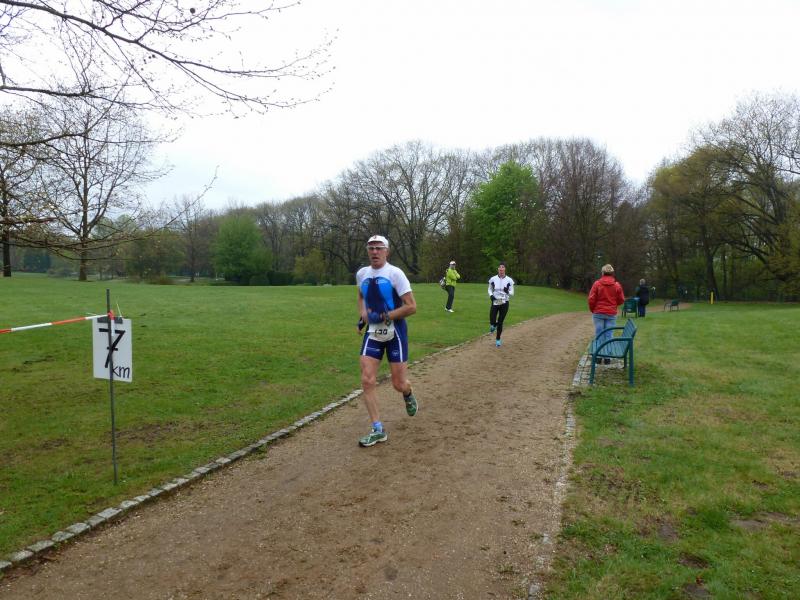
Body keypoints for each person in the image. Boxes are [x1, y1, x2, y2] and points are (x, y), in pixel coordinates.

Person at [355, 235, 418, 447]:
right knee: (367, 379)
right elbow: (361, 296)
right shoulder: (362, 274)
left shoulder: (395, 274)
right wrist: (363, 315)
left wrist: (386, 316)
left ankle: (408, 392)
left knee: (398, 384)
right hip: (373, 332)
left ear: (386, 251)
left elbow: (411, 306)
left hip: (395, 332)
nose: (374, 251)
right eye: (371, 248)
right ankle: (377, 429)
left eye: (379, 248)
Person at [588, 264, 625, 364]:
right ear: (612, 273)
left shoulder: (597, 284)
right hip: (611, 314)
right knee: (609, 335)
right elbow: (621, 299)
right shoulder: (617, 285)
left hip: (598, 313)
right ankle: (607, 357)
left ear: (602, 273)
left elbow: (591, 299)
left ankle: (598, 356)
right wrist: (614, 305)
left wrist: (593, 309)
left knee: (599, 334)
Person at [487, 261, 515, 347]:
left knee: (500, 322)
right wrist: (491, 295)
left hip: (504, 302)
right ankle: (493, 325)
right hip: (496, 301)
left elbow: (512, 293)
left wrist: (507, 291)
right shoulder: (493, 279)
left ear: (505, 269)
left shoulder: (509, 280)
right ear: (498, 269)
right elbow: (489, 289)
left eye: (503, 267)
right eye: (500, 267)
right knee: (492, 318)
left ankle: (498, 339)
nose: (501, 269)